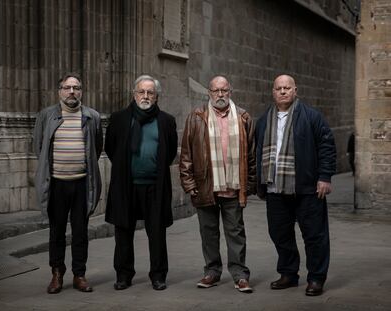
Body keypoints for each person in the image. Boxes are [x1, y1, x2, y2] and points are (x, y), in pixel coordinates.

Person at [255, 74, 336, 296]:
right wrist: (258, 184)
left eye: (287, 88)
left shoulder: (311, 116)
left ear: (295, 90)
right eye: (279, 88)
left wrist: (325, 177)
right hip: (275, 188)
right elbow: (257, 152)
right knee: (279, 233)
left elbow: (326, 146)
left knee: (314, 235)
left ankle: (316, 278)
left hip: (307, 188)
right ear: (273, 92)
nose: (283, 91)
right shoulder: (263, 120)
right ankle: (289, 274)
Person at [179, 75, 256, 293]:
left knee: (235, 232)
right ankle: (212, 272)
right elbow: (186, 154)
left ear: (230, 91)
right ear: (209, 93)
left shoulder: (243, 117)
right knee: (208, 233)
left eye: (224, 90)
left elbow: (251, 155)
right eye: (215, 91)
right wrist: (189, 183)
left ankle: (240, 275)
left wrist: (249, 185)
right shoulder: (196, 117)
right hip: (205, 187)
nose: (220, 95)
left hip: (233, 188)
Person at [105, 75, 177, 291]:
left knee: (157, 232)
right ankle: (123, 275)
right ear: (134, 94)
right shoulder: (119, 119)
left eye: (150, 92)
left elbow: (170, 152)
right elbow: (111, 149)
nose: (145, 96)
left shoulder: (166, 121)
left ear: (156, 96)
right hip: (126, 185)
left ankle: (158, 275)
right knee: (123, 231)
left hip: (155, 186)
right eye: (141, 92)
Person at [33, 73, 103, 294]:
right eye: (67, 87)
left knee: (81, 231)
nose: (72, 92)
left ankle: (79, 274)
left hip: (81, 183)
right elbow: (39, 148)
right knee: (57, 231)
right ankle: (57, 274)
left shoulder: (92, 116)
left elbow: (97, 148)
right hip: (57, 184)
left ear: (81, 91)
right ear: (59, 91)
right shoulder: (47, 116)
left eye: (76, 87)